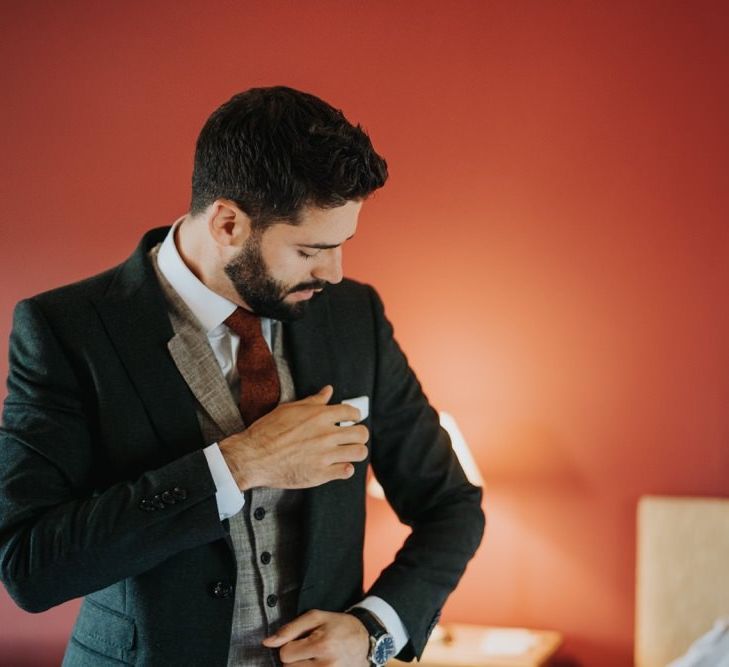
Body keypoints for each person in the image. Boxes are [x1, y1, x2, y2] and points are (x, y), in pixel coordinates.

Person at [0, 86, 484, 666]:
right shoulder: (66, 330)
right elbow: (30, 566)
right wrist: (239, 464)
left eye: (342, 244)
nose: (333, 272)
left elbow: (452, 504)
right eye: (310, 250)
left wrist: (374, 627)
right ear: (228, 223)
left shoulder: (355, 316)